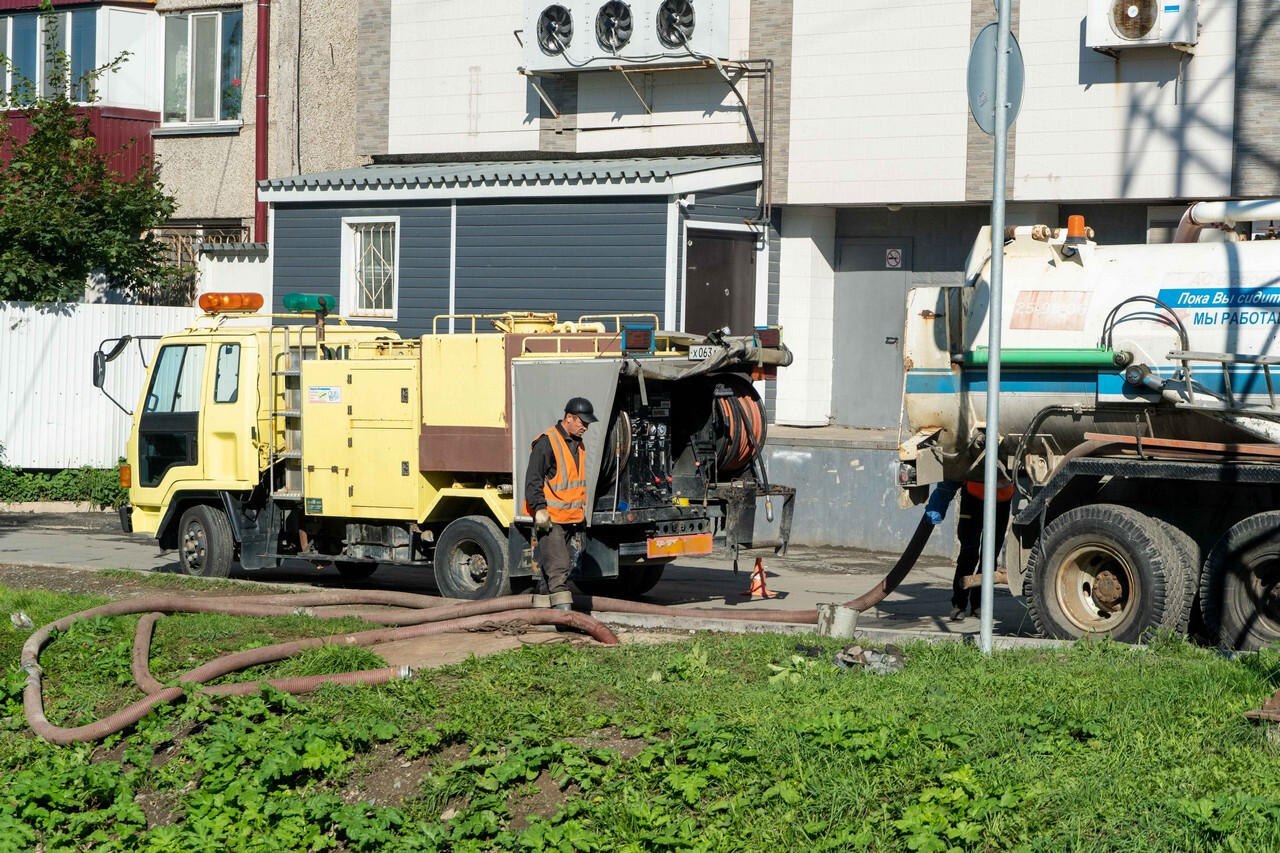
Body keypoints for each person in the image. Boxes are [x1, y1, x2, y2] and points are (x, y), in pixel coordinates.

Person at [524, 397, 598, 609]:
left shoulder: (578, 445)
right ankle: (563, 614)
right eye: (582, 422)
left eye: (588, 424)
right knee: (559, 567)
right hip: (550, 517)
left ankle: (542, 612)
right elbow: (533, 478)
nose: (585, 427)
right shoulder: (547, 441)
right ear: (568, 417)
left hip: (569, 517)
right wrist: (539, 509)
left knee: (551, 570)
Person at [949, 477, 1013, 621]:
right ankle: (959, 604)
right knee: (969, 553)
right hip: (973, 497)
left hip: (1002, 500)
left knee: (990, 557)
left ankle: (979, 605)